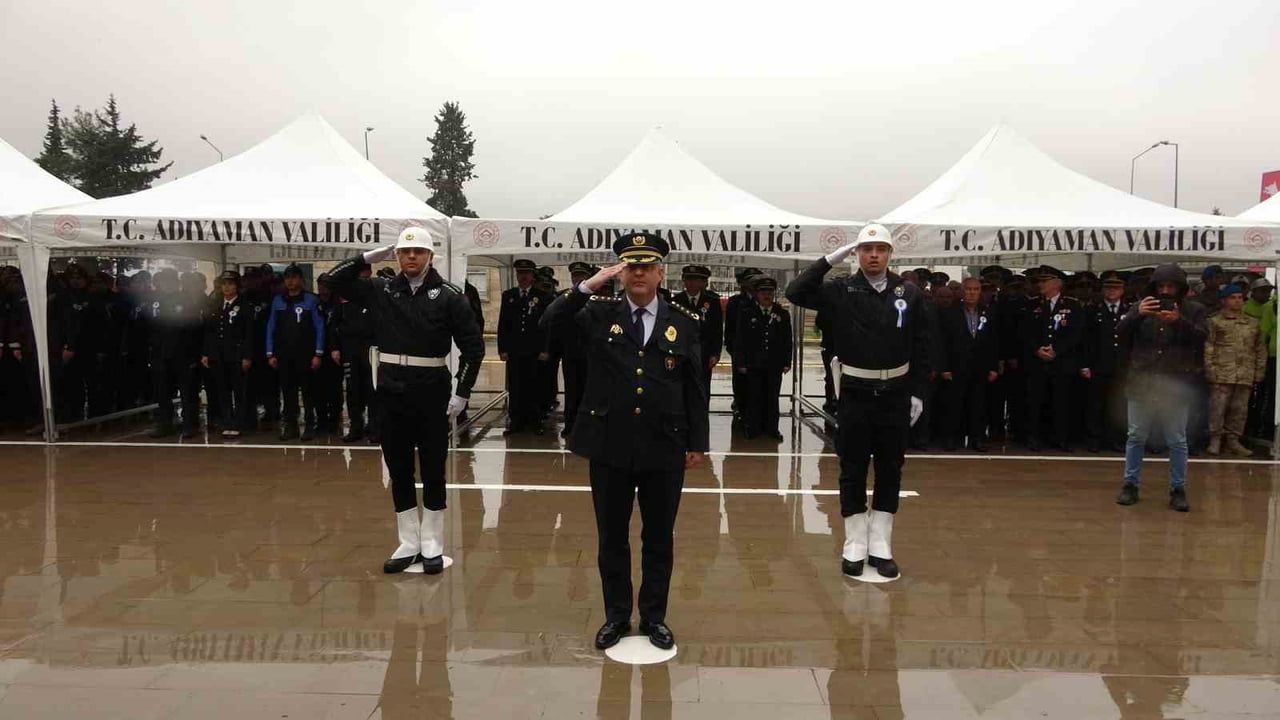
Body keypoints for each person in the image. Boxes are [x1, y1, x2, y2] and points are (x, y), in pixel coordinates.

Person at [540, 232, 708, 652]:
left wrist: (697, 442)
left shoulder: (684, 321)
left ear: (659, 272)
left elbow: (694, 388)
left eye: (646, 266)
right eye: (630, 266)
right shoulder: (596, 313)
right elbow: (549, 323)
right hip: (609, 445)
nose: (638, 273)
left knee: (658, 538)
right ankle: (616, 615)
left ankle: (653, 617)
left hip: (664, 446)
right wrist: (587, 286)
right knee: (611, 537)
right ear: (619, 271)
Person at [327, 227, 484, 574]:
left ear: (430, 256)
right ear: (396, 256)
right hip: (391, 388)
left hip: (431, 389)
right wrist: (366, 258)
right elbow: (332, 281)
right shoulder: (381, 290)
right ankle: (408, 540)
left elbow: (473, 348)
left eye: (418, 252)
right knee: (397, 467)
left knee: (432, 468)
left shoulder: (449, 296)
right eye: (404, 252)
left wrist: (462, 391)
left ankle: (432, 542)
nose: (411, 257)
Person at [786, 223, 930, 580]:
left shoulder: (908, 292)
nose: (874, 255)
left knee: (889, 467)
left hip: (895, 394)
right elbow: (795, 291)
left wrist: (918, 392)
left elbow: (924, 345)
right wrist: (828, 260)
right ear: (857, 254)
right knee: (851, 468)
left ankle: (880, 543)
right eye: (866, 249)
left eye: (880, 249)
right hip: (855, 392)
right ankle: (854, 542)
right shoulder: (841, 289)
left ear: (890, 254)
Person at [1115, 263, 1207, 513]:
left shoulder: (1195, 310)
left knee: (1177, 440)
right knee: (1136, 436)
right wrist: (1136, 315)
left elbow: (1201, 339)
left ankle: (1178, 489)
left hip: (1175, 384)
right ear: (1153, 287)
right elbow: (1120, 335)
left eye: (1171, 286)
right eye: (1161, 286)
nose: (1165, 291)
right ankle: (1130, 484)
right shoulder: (1141, 307)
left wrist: (1179, 321)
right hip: (1142, 382)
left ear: (1181, 288)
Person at [1020, 266, 1084, 452]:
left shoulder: (1072, 305)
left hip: (1061, 362)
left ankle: (1060, 438)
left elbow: (1076, 334)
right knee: (1035, 401)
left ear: (1057, 283)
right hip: (1037, 362)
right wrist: (1036, 349)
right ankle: (1034, 437)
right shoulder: (1032, 304)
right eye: (1039, 281)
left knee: (1061, 402)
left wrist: (1057, 349)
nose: (1040, 284)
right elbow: (1024, 332)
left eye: (1045, 281)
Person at [1204, 283, 1266, 456]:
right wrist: (1210, 370)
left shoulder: (1252, 323)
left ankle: (1233, 440)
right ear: (1224, 301)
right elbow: (1209, 347)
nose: (1237, 301)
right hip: (1222, 372)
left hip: (1245, 372)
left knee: (1239, 409)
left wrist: (1259, 371)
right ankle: (1215, 439)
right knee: (1218, 408)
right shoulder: (1214, 322)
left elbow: (1259, 348)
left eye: (1240, 298)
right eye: (1233, 298)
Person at [266, 264, 325, 441]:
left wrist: (318, 353)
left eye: (294, 277)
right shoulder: (278, 301)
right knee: (288, 392)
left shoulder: (311, 300)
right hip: (284, 355)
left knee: (308, 392)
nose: (290, 281)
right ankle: (290, 427)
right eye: (287, 278)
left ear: (301, 280)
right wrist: (270, 353)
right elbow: (271, 327)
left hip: (306, 355)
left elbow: (320, 327)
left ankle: (309, 426)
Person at [939, 277, 999, 452]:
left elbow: (993, 342)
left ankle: (977, 438)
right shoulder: (949, 312)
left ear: (980, 292)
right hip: (956, 366)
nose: (972, 293)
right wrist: (944, 367)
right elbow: (942, 343)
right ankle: (951, 438)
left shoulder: (987, 312)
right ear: (962, 291)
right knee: (953, 404)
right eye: (969, 289)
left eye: (976, 289)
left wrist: (993, 366)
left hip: (980, 367)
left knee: (978, 404)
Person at [146, 268, 203, 438]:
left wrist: (193, 354)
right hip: (160, 354)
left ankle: (189, 425)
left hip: (183, 354)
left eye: (170, 281)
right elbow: (147, 326)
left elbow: (195, 329)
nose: (167, 284)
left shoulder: (186, 301)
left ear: (176, 283)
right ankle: (165, 424)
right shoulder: (154, 301)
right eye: (164, 281)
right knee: (162, 392)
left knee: (187, 393)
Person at [734, 275, 792, 440]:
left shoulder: (782, 314)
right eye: (763, 291)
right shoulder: (747, 313)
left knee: (772, 397)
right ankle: (753, 428)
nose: (767, 295)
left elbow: (788, 340)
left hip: (774, 363)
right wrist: (741, 362)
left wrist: (787, 362)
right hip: (753, 363)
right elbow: (740, 339)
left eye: (770, 291)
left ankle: (772, 429)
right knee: (754, 397)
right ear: (756, 294)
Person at [497, 259, 551, 434]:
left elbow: (546, 326)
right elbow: (503, 324)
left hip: (534, 350)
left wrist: (545, 348)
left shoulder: (542, 296)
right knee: (515, 386)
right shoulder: (509, 295)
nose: (523, 277)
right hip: (514, 350)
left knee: (535, 386)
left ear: (532, 275)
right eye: (520, 274)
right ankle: (516, 421)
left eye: (526, 273)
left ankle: (536, 421)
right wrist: (502, 349)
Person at [1081, 271, 1130, 453]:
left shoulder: (1130, 310)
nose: (1112, 291)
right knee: (1095, 404)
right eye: (1108, 288)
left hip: (1121, 366)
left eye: (1116, 288)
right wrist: (1085, 364)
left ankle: (1116, 439)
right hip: (1098, 364)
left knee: (1118, 405)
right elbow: (1085, 340)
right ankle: (1095, 439)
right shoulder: (1092, 310)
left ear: (1123, 290)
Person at [201, 271, 254, 438]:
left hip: (236, 355)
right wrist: (206, 353)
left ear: (237, 286)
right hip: (218, 355)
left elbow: (249, 334)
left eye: (231, 284)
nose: (227, 287)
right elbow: (210, 331)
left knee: (239, 391)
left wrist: (247, 356)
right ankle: (227, 421)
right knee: (222, 391)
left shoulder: (245, 306)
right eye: (224, 284)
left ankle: (239, 422)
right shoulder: (216, 304)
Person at [331, 260, 378, 443]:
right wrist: (335, 347)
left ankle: (374, 428)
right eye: (361, 273)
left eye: (367, 272)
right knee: (352, 390)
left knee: (372, 390)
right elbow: (334, 323)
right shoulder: (344, 294)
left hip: (370, 348)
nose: (364, 276)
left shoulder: (376, 292)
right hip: (349, 348)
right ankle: (355, 428)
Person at [671, 264, 724, 401]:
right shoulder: (676, 301)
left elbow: (717, 330)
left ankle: (701, 419)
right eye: (688, 279)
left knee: (702, 390)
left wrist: (715, 354)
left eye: (695, 280)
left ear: (703, 282)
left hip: (703, 353)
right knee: (682, 390)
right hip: (682, 352)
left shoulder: (712, 302)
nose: (691, 283)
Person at [555, 262, 593, 437]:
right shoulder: (564, 296)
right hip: (569, 350)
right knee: (571, 390)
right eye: (575, 276)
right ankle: (570, 424)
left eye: (582, 276)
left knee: (588, 390)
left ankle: (586, 426)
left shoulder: (594, 297)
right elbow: (553, 323)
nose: (578, 279)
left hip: (590, 352)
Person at [724, 267, 762, 423]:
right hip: (740, 348)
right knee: (739, 380)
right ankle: (739, 405)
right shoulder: (735, 301)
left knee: (758, 381)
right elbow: (730, 326)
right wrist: (731, 346)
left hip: (759, 350)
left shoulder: (762, 298)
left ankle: (755, 409)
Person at [1243, 277, 1276, 438]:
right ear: (1253, 292)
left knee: (1265, 394)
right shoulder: (1245, 308)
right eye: (1263, 290)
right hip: (1248, 356)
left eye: (1269, 290)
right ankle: (1249, 429)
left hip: (1265, 357)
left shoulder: (1271, 307)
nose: (1267, 293)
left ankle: (1260, 428)